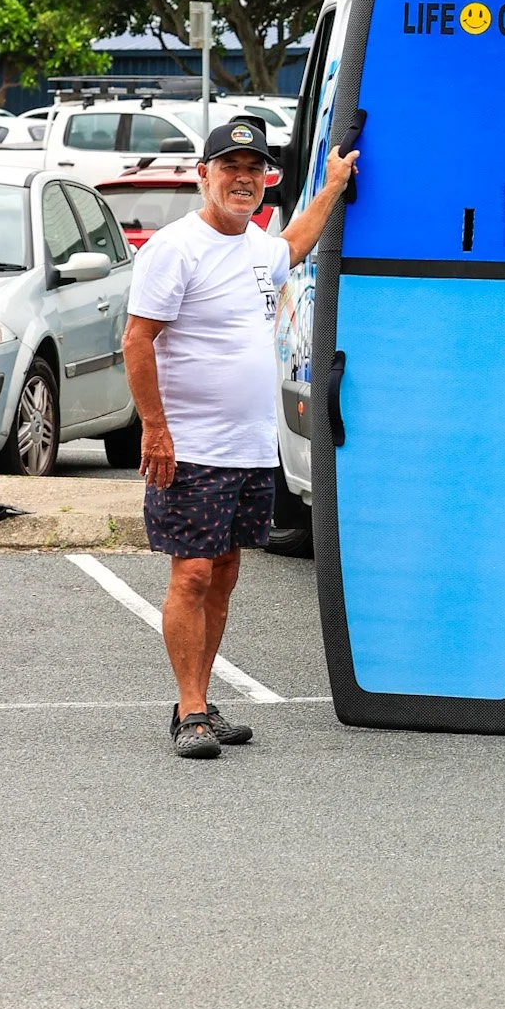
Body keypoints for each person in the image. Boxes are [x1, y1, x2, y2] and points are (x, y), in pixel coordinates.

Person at [123, 116, 357, 758]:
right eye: (230, 167)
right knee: (192, 571)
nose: (243, 179)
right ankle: (192, 712)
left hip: (252, 447)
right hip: (190, 446)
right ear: (204, 175)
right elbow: (137, 339)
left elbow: (297, 244)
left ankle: (196, 701)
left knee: (224, 571)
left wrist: (333, 186)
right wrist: (155, 428)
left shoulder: (259, 245)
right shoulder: (173, 248)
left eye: (254, 170)